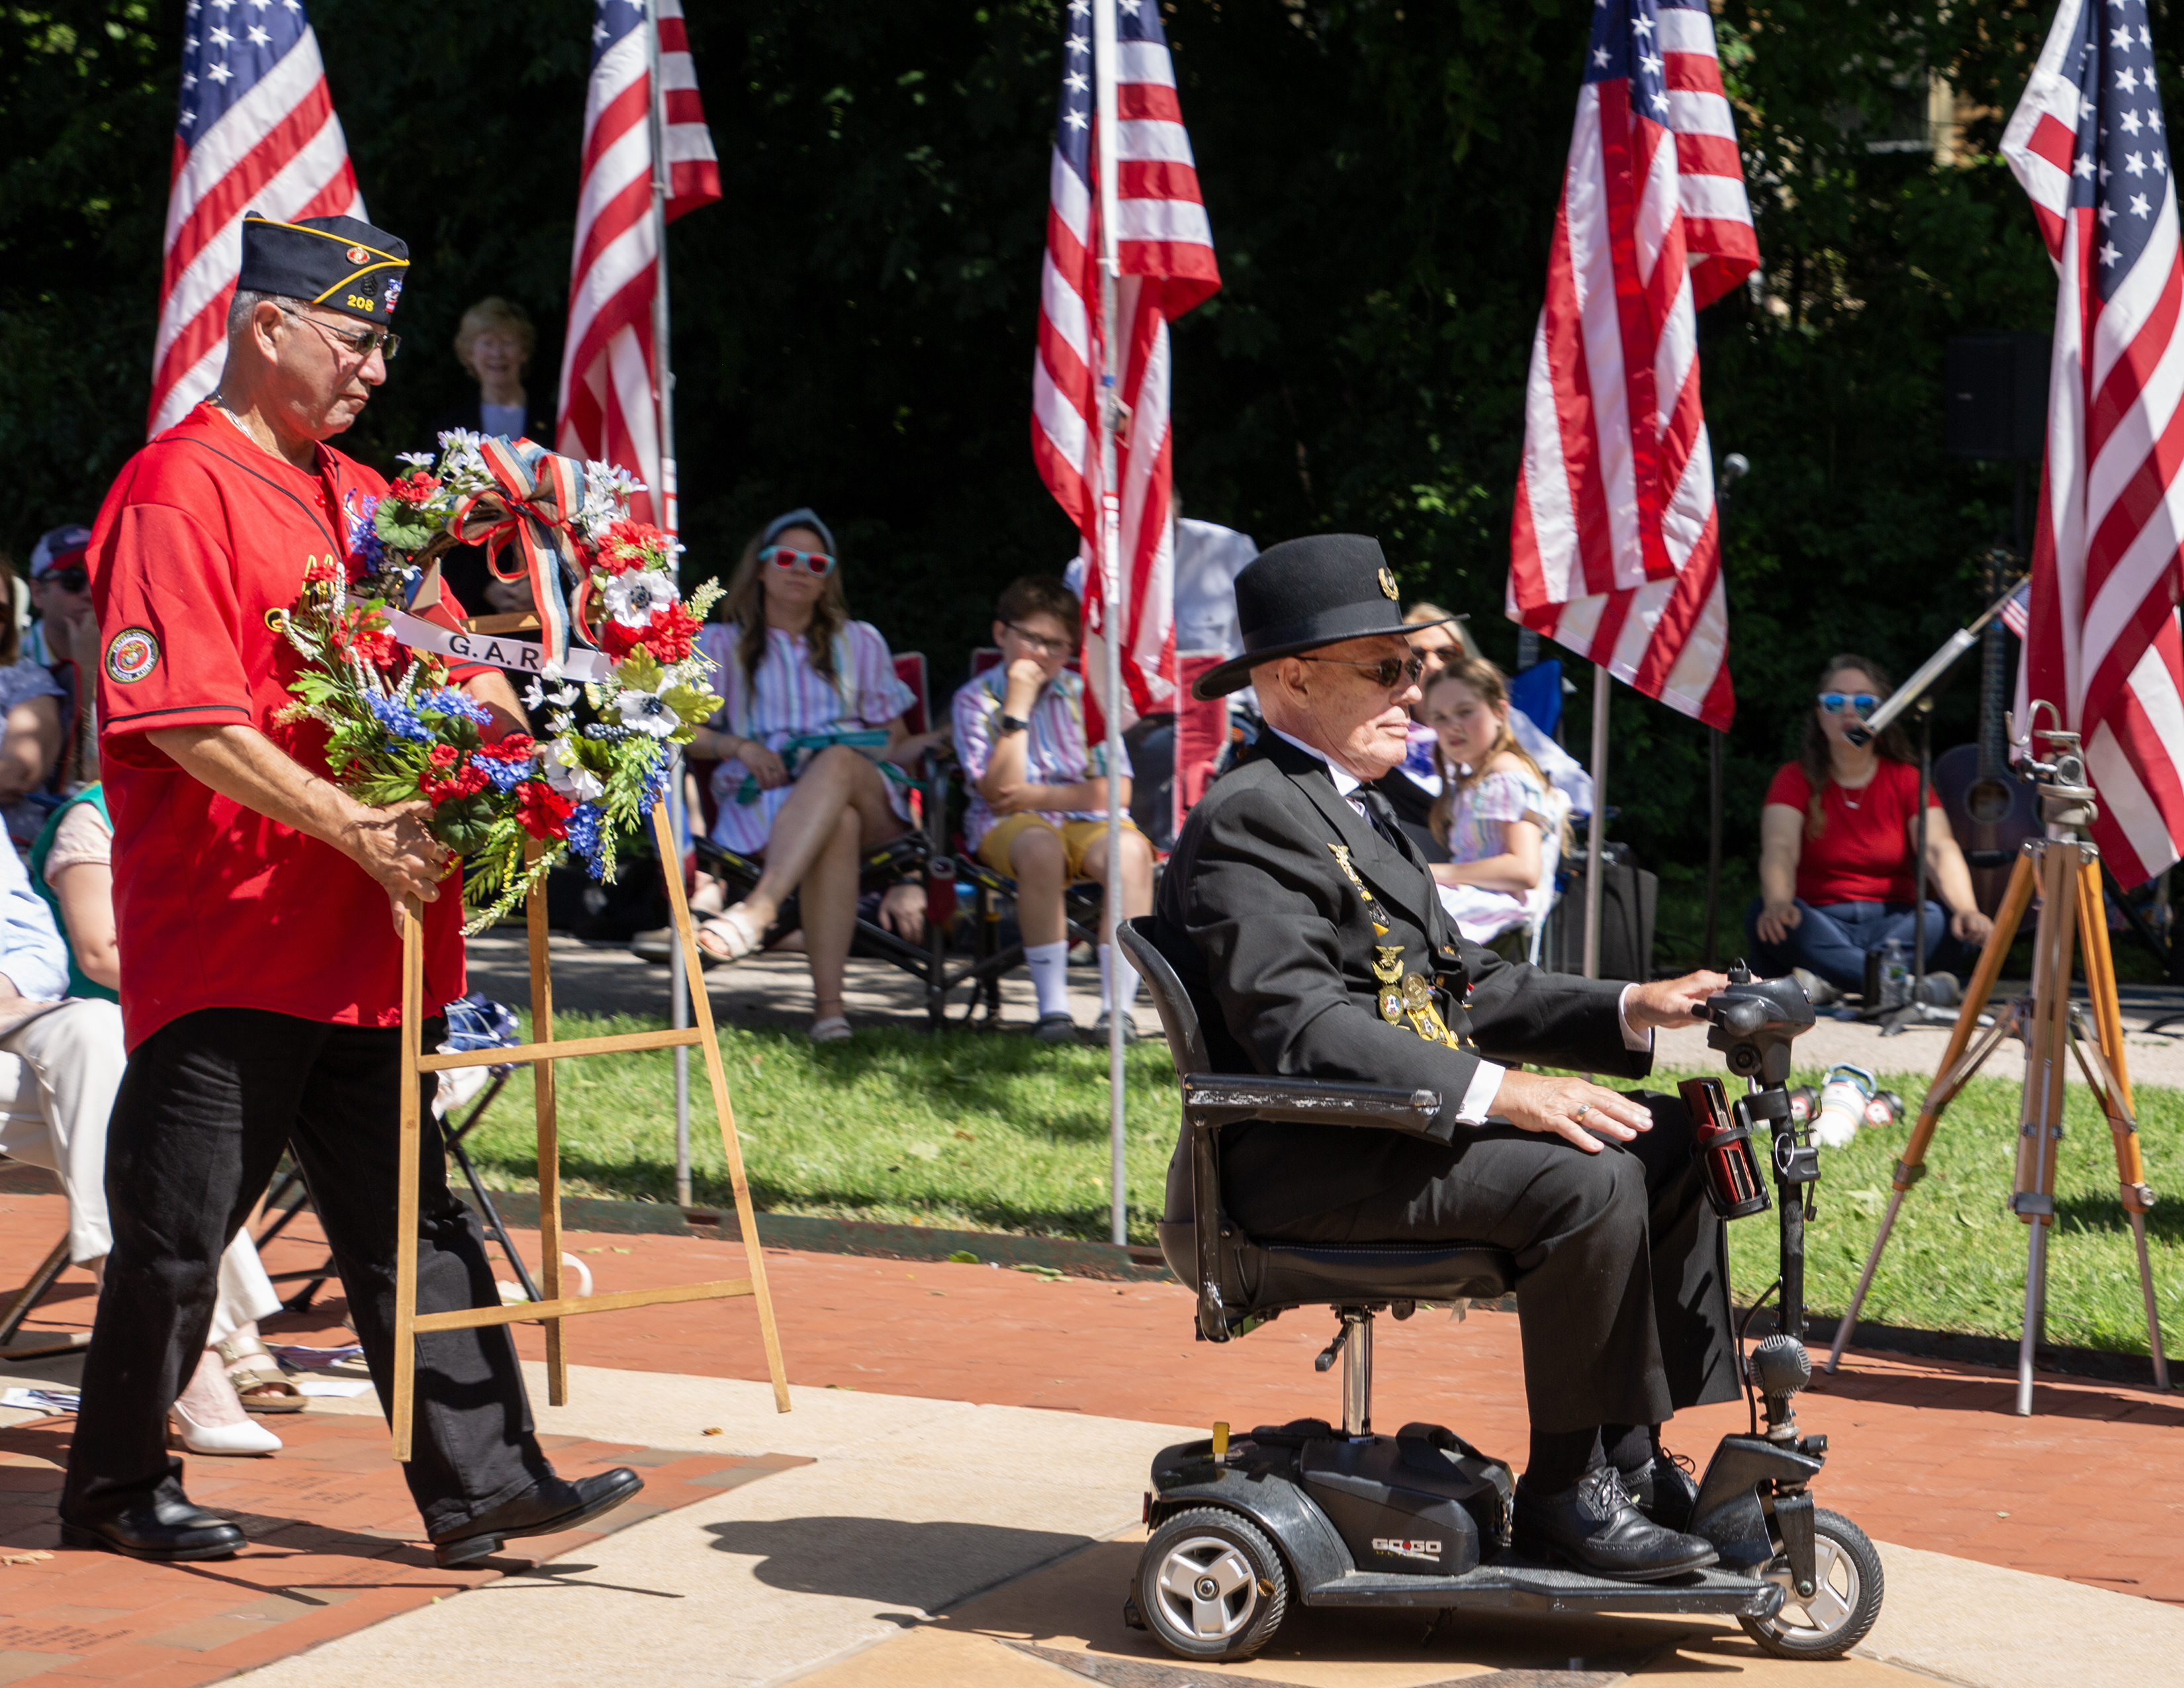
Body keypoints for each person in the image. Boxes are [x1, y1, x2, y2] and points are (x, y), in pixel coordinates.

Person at [63, 212, 641, 1565]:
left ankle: (486, 1482)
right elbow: (183, 718)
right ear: (268, 326)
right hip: (234, 930)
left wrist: (512, 731)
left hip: (370, 935)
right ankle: (113, 1487)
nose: (377, 370)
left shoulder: (368, 496)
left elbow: (453, 654)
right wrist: (350, 822)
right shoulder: (172, 487)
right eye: (355, 340)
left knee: (412, 1223)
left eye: (384, 344)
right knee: (179, 1232)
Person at [1157, 534, 1738, 1583]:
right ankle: (1567, 1493)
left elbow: (1463, 986)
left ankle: (1630, 1456)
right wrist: (1506, 1093)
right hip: (1300, 1159)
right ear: (1292, 679)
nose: (1414, 691)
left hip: (1382, 1137)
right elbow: (1300, 1027)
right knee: (1588, 1178)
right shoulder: (1251, 816)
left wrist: (1630, 1007)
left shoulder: (1355, 807)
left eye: (1415, 665)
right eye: (1386, 666)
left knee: (1672, 1137)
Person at [19, 784, 300, 1452]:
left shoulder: (243, 809)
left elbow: (26, 941)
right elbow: (96, 954)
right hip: (120, 1020)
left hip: (48, 1023)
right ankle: (205, 1348)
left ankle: (178, 1335)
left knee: (191, 1095)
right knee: (146, 1064)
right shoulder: (95, 817)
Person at [684, 508, 940, 1039]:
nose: (800, 569)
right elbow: (677, 730)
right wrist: (738, 746)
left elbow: (895, 746)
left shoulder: (860, 642)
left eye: (816, 563)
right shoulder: (719, 645)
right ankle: (829, 1012)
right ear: (760, 568)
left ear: (827, 580)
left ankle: (759, 910)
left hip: (871, 800)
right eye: (786, 558)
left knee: (840, 760)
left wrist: (946, 739)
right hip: (767, 805)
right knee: (838, 824)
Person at [952, 575, 1153, 1044]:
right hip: (1007, 825)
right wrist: (1017, 707)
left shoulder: (1087, 696)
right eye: (1031, 638)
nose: (1042, 654)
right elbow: (999, 792)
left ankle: (1117, 1012)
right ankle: (1053, 1010)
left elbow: (1118, 790)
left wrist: (1037, 796)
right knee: (1040, 847)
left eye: (1057, 645)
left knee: (1131, 853)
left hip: (1085, 820)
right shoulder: (975, 701)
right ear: (1001, 633)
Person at [1747, 653, 1991, 1002]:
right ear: (1819, 716)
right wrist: (1778, 901)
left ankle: (1834, 979)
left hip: (1895, 926)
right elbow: (1779, 848)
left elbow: (1939, 848)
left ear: (1885, 713)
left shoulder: (1908, 779)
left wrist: (1967, 910)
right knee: (1766, 916)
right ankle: (1905, 988)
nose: (1849, 712)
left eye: (1864, 703)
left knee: (1948, 921)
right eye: (1834, 702)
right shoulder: (1793, 777)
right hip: (1821, 921)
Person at [424, 299, 551, 617]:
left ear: (524, 352)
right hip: (473, 603)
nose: (497, 353)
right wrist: (481, 585)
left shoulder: (556, 423)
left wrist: (542, 583)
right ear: (469, 353)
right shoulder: (446, 429)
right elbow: (436, 519)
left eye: (508, 342)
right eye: (487, 343)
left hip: (547, 597)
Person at [1420, 657, 1559, 945]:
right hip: (1476, 897)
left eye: (1465, 712)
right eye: (1440, 718)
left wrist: (1435, 873)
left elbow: (1524, 870)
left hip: (1499, 907)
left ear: (1499, 712)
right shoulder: (1473, 779)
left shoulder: (1504, 771)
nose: (1452, 726)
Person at [23, 526, 100, 792]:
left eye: (100, 577)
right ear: (37, 593)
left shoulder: (132, 659)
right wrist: (86, 674)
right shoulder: (11, 661)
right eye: (73, 580)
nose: (89, 593)